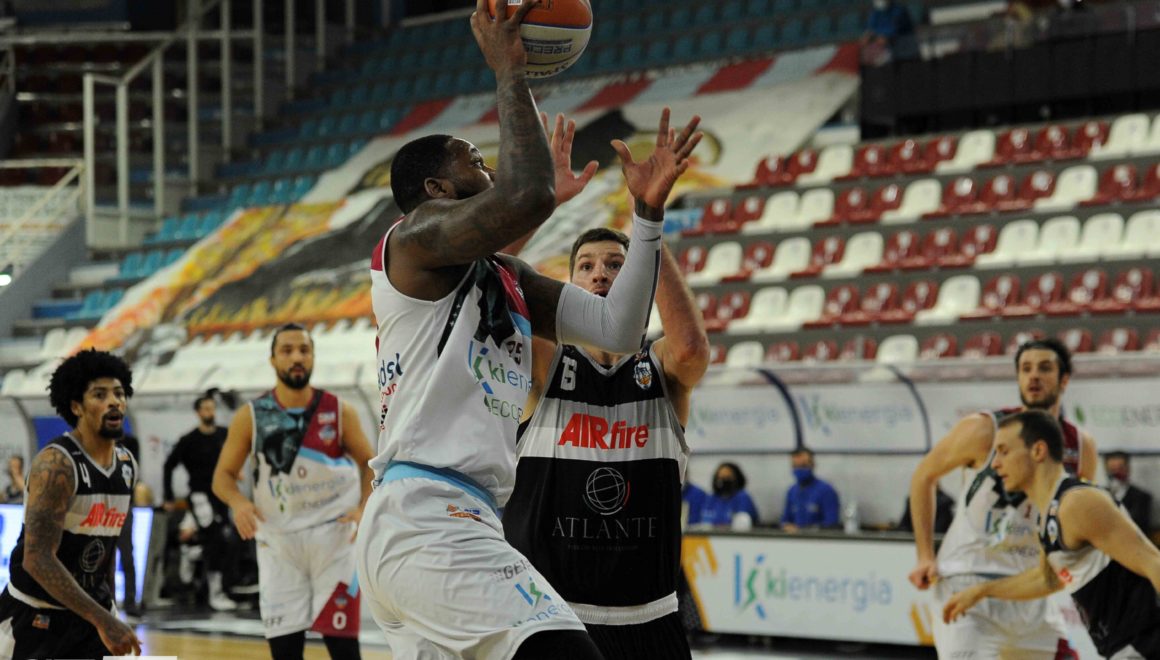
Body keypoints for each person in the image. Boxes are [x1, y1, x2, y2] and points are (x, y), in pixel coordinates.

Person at [353, 0, 702, 656]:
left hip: (456, 521)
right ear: (437, 189)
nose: (489, 169)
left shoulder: (505, 275)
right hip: (427, 519)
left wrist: (647, 217)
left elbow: (618, 329)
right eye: (474, 162)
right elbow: (524, 195)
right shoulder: (412, 240)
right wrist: (510, 70)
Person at [502, 219, 710, 659]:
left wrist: (649, 230)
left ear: (640, 283)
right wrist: (538, 206)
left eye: (617, 265)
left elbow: (691, 348)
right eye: (586, 266)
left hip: (650, 618)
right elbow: (489, 282)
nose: (600, 274)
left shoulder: (660, 368)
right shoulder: (546, 361)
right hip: (551, 617)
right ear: (569, 287)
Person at [908, 337, 1098, 658]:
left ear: (1064, 380)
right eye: (1025, 369)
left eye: (1044, 368)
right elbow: (923, 476)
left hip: (1029, 590)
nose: (1033, 376)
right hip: (967, 582)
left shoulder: (1080, 445)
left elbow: (1075, 519)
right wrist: (925, 555)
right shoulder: (985, 428)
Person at [213, 323, 375, 660]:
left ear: (313, 357)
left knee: (344, 648)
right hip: (279, 542)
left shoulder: (339, 410)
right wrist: (239, 502)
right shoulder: (251, 416)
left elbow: (370, 464)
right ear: (272, 359)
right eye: (287, 351)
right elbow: (222, 477)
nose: (296, 357)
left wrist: (364, 508)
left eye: (304, 350)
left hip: (333, 539)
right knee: (285, 649)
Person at [943, 410, 1160, 659]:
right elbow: (1047, 580)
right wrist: (980, 591)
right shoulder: (1048, 515)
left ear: (1038, 451)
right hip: (1123, 646)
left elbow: (1153, 561)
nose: (994, 463)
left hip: (1146, 643)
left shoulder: (1076, 503)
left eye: (1004, 451)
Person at [0, 349, 141, 658]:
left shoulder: (126, 465)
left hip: (90, 616)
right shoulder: (57, 464)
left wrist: (108, 609)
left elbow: (105, 552)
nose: (114, 401)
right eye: (100, 395)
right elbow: (37, 559)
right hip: (35, 617)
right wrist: (103, 618)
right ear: (76, 406)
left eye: (119, 393)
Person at [163, 392, 236, 611]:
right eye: (205, 408)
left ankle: (194, 551)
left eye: (212, 408)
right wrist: (168, 497)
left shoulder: (224, 434)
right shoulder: (189, 440)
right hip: (200, 495)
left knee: (226, 538)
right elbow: (169, 465)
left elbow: (234, 458)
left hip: (222, 495)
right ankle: (215, 592)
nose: (209, 412)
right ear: (198, 412)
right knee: (215, 537)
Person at [112, 433, 140, 616]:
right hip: (104, 508)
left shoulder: (129, 445)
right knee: (104, 558)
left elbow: (134, 476)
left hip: (123, 507)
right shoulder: (95, 444)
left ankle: (130, 601)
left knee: (127, 556)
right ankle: (107, 601)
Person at [685, 462, 761, 528]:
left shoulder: (742, 497)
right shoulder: (711, 498)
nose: (724, 480)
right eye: (721, 477)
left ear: (736, 478)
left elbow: (744, 522)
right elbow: (704, 520)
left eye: (728, 477)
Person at [781, 448, 839, 532]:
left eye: (803, 466)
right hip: (794, 539)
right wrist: (786, 526)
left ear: (812, 465)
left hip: (817, 538)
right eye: (795, 466)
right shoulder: (791, 491)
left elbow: (831, 524)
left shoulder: (826, 491)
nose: (799, 469)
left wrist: (802, 530)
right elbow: (785, 520)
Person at [1105, 451, 1153, 534]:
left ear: (1128, 469)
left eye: (1120, 469)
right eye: (1112, 470)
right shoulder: (1101, 495)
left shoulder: (1142, 497)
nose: (1116, 473)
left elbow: (1138, 525)